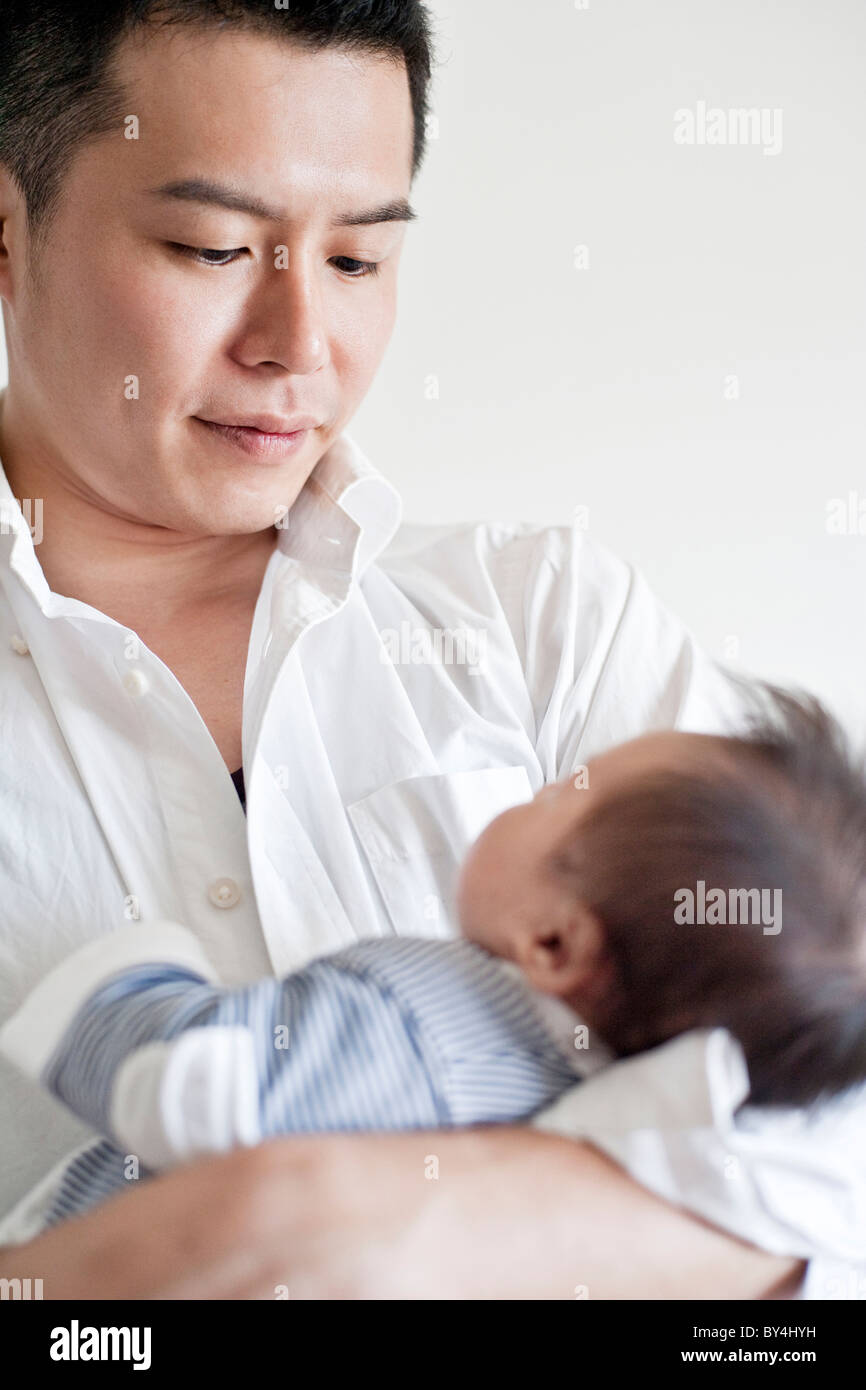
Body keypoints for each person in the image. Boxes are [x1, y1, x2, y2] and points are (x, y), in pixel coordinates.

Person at [0, 0, 848, 1298]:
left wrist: (333, 1213)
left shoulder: (540, 620)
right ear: (7, 229)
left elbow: (832, 1113)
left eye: (355, 261)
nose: (299, 344)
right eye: (213, 244)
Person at [4, 691, 866, 1240]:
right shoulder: (635, 1115)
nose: (538, 788)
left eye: (551, 796)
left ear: (555, 946)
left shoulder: (422, 1017)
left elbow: (199, 1083)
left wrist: (134, 976)